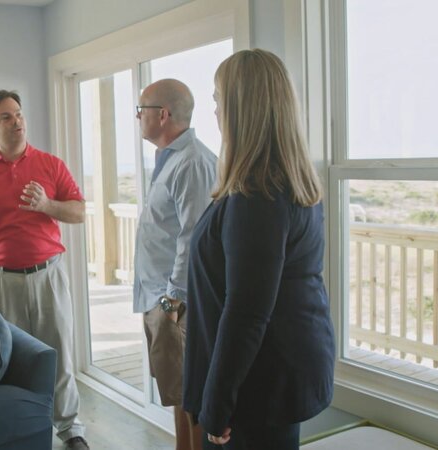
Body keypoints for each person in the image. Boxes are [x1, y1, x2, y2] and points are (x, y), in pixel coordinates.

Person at [183, 49, 336, 449]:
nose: (214, 111)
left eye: (217, 100)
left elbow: (247, 313)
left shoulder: (258, 195)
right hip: (279, 367)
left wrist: (216, 404)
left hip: (259, 381)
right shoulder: (286, 181)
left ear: (239, 107)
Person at [0, 90, 90, 450]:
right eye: (7, 117)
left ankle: (70, 430)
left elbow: (77, 211)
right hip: (0, 281)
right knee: (7, 359)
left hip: (48, 277)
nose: (17, 122)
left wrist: (47, 205)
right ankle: (18, 430)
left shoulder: (50, 164)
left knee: (58, 354)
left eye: (19, 114)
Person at [133, 79, 216, 450]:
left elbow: (193, 238)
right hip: (161, 298)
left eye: (141, 110)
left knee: (191, 397)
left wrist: (172, 303)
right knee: (178, 393)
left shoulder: (193, 162)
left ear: (162, 115)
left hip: (176, 303)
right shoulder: (170, 158)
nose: (138, 117)